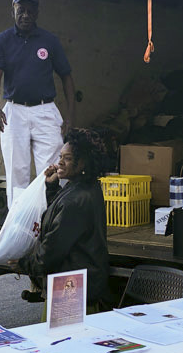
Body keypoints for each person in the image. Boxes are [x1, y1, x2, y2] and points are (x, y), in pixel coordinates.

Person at [0, 0, 77, 203]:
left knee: (52, 168)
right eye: (21, 10)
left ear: (37, 13)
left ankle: (49, 218)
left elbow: (66, 77)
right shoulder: (2, 40)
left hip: (45, 109)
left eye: (30, 11)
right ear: (13, 11)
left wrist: (70, 118)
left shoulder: (49, 40)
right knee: (16, 170)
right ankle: (19, 222)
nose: (26, 15)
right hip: (14, 111)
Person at [13, 128, 112, 313]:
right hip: (78, 287)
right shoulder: (85, 189)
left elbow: (52, 250)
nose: (59, 162)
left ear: (82, 163)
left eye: (66, 158)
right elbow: (59, 214)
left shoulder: (75, 200)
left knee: (61, 339)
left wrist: (23, 263)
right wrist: (52, 187)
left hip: (71, 292)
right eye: (60, 156)